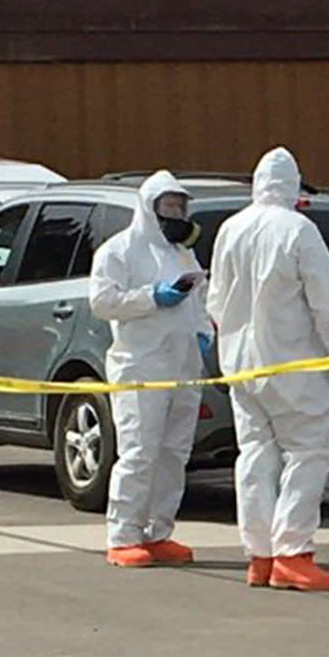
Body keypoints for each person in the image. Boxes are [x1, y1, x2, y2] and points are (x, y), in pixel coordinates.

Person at [206, 147, 329, 592]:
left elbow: (215, 301)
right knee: (310, 451)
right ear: (294, 185)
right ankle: (293, 552)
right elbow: (324, 304)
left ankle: (259, 556)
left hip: (240, 366)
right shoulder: (300, 231)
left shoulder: (231, 229)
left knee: (255, 456)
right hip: (293, 364)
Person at [85, 170, 210, 568]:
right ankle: (123, 535)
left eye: (180, 206)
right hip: (140, 366)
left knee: (174, 453)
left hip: (184, 366)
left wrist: (204, 333)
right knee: (139, 452)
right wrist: (151, 298)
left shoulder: (182, 254)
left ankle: (159, 532)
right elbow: (102, 302)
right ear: (149, 207)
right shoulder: (118, 251)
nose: (175, 213)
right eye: (168, 206)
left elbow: (200, 303)